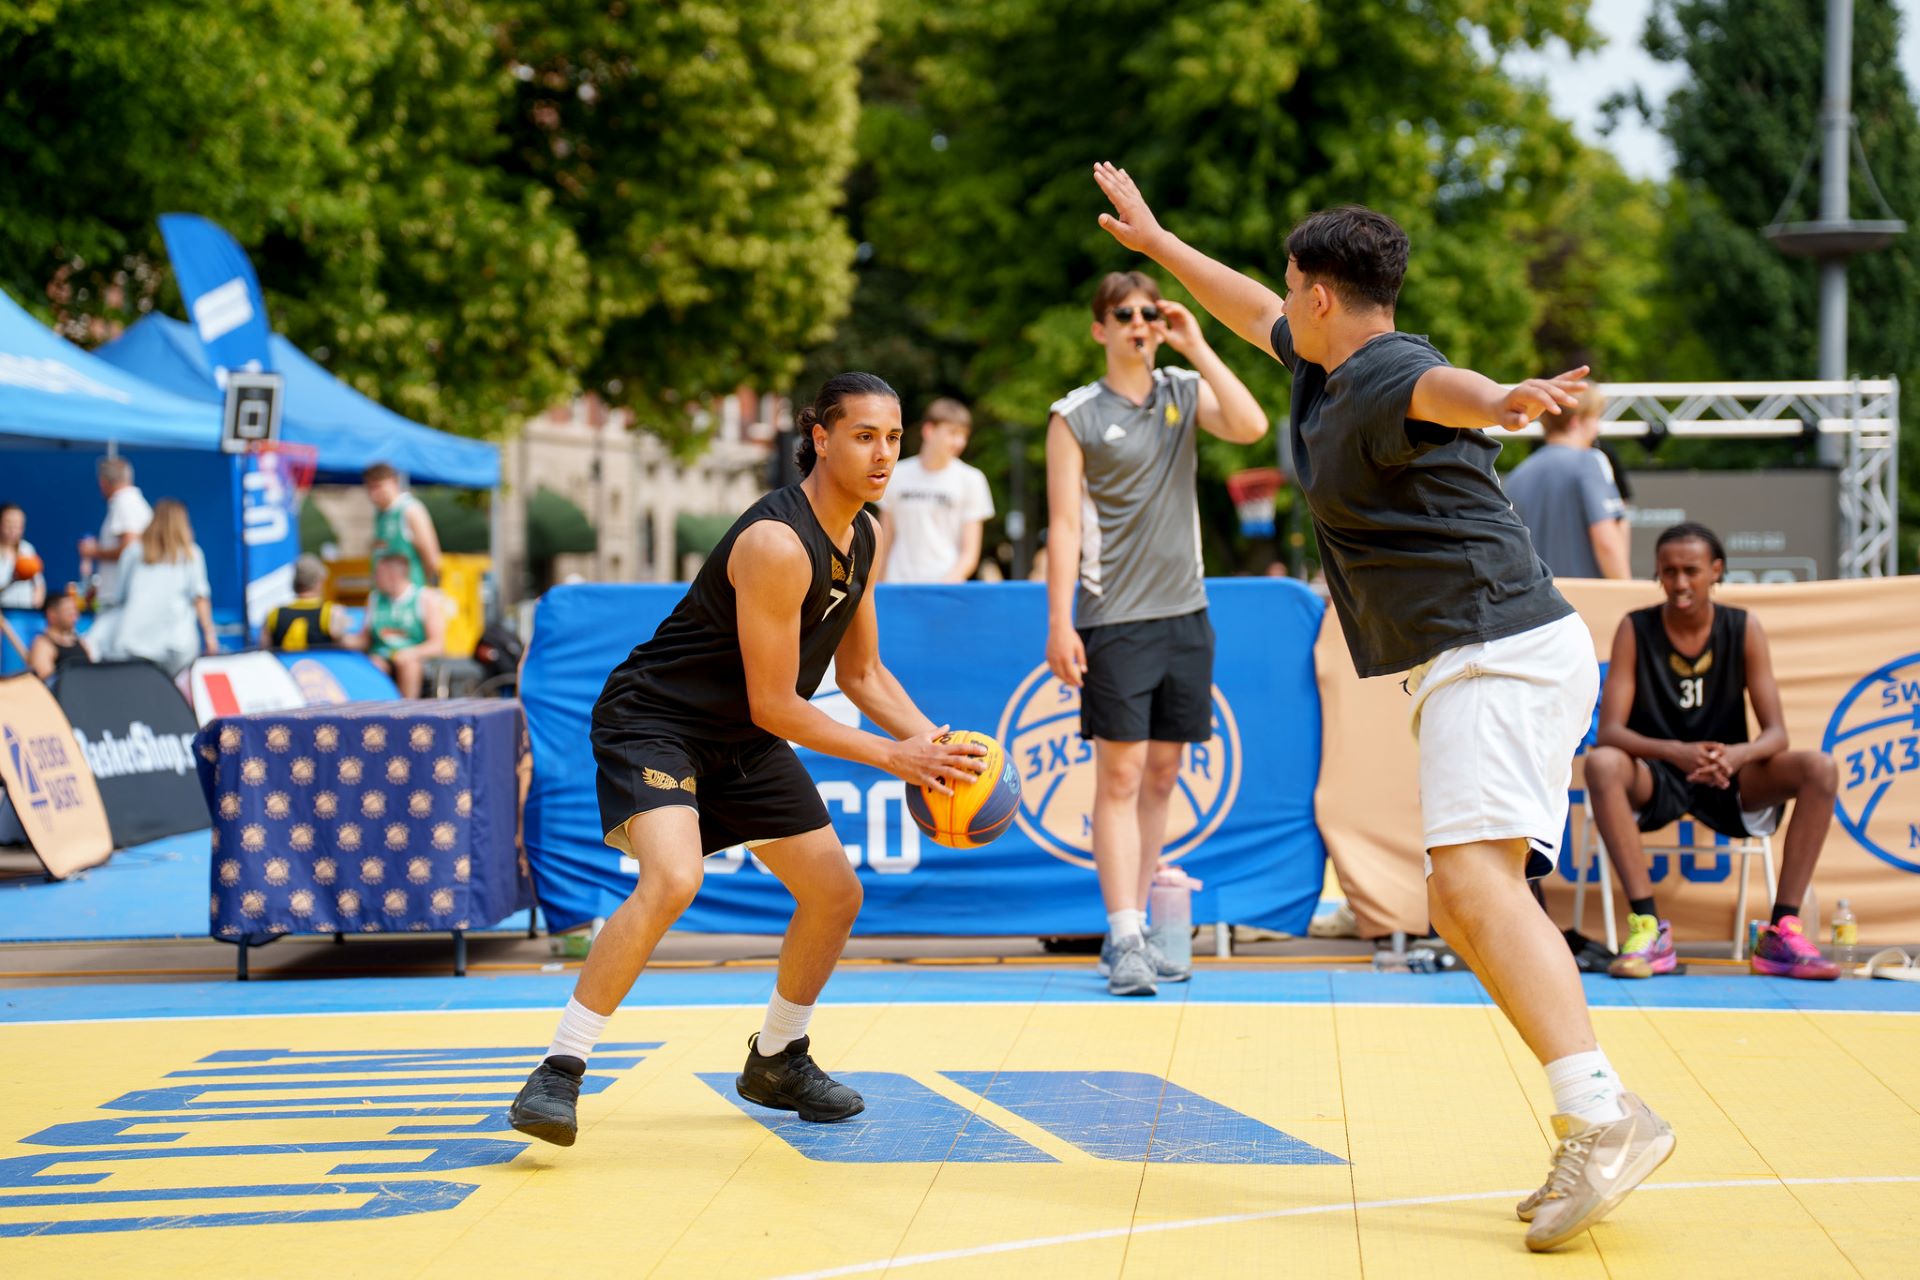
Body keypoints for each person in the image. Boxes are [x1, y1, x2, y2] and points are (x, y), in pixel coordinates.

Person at [1089, 162, 1670, 1250]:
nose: (1277, 297)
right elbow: (1242, 303)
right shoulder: (1317, 366)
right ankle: (1597, 1106)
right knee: (1462, 894)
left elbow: (1446, 387)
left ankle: (1602, 1111)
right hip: (1484, 651)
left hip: (1496, 644)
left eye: (1288, 284)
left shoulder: (1393, 366)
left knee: (1466, 885)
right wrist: (1159, 241)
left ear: (1320, 291)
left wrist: (1504, 402)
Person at [508, 373, 985, 1148]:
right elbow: (777, 704)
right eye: (865, 435)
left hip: (740, 737)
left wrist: (934, 745)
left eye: (893, 438)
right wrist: (892, 757)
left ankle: (777, 1058)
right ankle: (558, 1069)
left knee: (835, 893)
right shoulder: (775, 542)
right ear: (820, 436)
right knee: (674, 878)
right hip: (657, 722)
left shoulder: (865, 531)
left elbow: (862, 676)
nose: (884, 453)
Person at [1044, 270, 1268, 1000]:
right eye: (1124, 313)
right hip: (1114, 618)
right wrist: (1061, 623)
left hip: (1186, 614)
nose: (1139, 322)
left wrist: (1197, 340)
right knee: (1117, 775)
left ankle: (1135, 927)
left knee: (1164, 775)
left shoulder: (1180, 388)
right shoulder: (1073, 414)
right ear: (1100, 328)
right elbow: (1066, 525)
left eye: (1149, 312)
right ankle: (1125, 932)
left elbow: (1251, 426)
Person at [1587, 522, 1841, 981]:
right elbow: (1611, 732)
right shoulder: (1636, 627)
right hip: (1659, 774)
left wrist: (1737, 756)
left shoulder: (1741, 627)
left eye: (1691, 570)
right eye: (1669, 571)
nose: (1680, 582)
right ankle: (1648, 928)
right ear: (1658, 575)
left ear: (1716, 571)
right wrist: (1677, 752)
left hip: (1730, 777)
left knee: (1819, 768)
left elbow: (1776, 734)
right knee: (1603, 764)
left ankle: (1782, 929)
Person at [1503, 387, 1630, 579]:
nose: (1597, 429)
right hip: (1586, 601)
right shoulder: (1590, 462)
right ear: (1576, 422)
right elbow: (1607, 542)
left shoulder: (1517, 475)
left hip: (1534, 601)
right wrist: (1627, 593)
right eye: (1595, 419)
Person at [875, 398, 995, 583]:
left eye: (964, 435)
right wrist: (877, 587)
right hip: (897, 585)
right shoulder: (896, 474)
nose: (959, 442)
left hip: (945, 589)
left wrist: (945, 586)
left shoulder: (972, 479)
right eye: (953, 433)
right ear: (929, 430)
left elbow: (970, 553)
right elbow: (884, 540)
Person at [100, 499, 217, 676]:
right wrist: (209, 634)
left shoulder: (133, 552)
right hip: (176, 645)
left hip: (134, 642)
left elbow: (120, 597)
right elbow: (200, 597)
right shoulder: (191, 553)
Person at [355, 552, 445, 697]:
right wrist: (340, 638)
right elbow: (364, 640)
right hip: (382, 656)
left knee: (409, 665)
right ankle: (375, 711)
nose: (375, 578)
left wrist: (412, 653)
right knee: (372, 664)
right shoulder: (374, 599)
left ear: (392, 575)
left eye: (378, 574)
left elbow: (438, 645)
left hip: (412, 658)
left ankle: (406, 712)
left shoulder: (425, 598)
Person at [79, 455, 152, 627]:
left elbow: (130, 547)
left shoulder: (125, 503)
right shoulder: (134, 503)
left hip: (119, 601)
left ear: (103, 482)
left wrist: (93, 552)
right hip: (123, 597)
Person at [363, 462, 442, 587]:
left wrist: (415, 590)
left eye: (378, 486)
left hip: (409, 597)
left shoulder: (411, 510)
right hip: (384, 598)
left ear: (393, 482)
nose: (373, 494)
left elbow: (432, 560)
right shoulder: (380, 514)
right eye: (370, 488)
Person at [263, 554, 344, 651]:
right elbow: (342, 647)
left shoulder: (274, 614)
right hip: (318, 664)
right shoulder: (332, 612)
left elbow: (264, 650)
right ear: (320, 582)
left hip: (284, 665)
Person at [27, 591, 92, 680]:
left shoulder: (80, 641)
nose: (75, 616)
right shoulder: (43, 645)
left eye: (75, 611)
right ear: (52, 615)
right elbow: (46, 681)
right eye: (68, 611)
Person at [0, 504, 45, 610]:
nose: (13, 529)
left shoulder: (27, 549)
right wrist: (11, 581)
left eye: (18, 524)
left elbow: (39, 584)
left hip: (26, 613)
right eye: (9, 523)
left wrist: (36, 604)